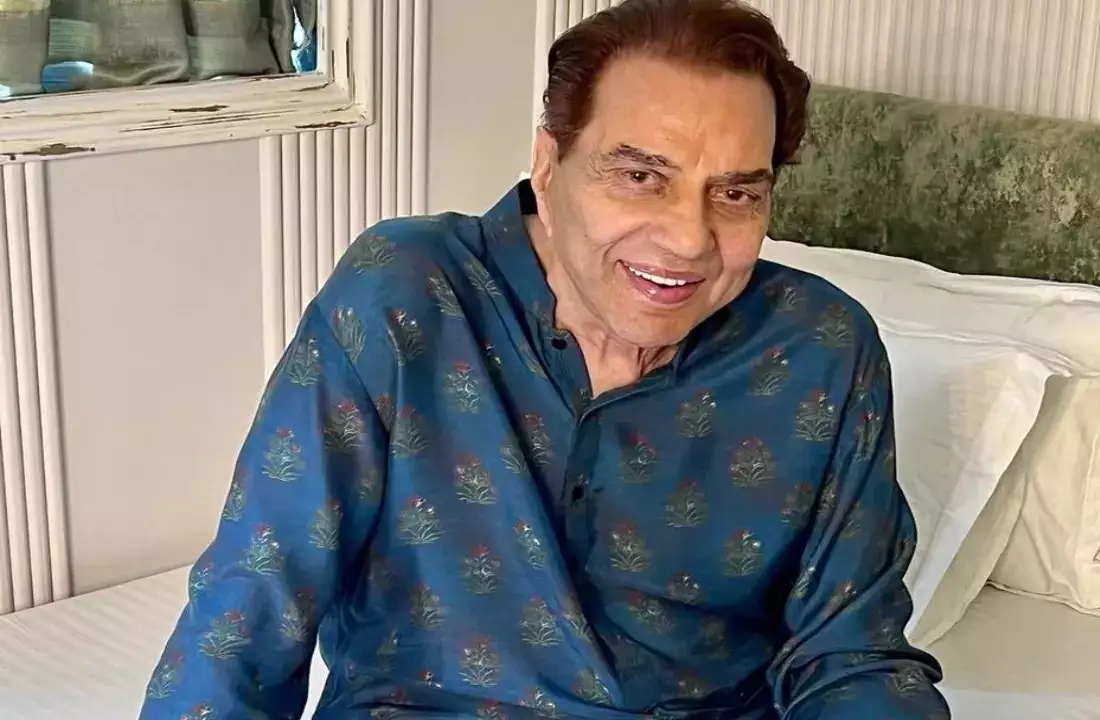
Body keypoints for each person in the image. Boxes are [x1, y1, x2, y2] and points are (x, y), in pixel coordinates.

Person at [140, 1, 949, 717]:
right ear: (548, 163)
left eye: (736, 194)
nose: (688, 238)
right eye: (641, 176)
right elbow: (254, 602)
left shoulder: (820, 348)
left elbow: (850, 654)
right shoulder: (406, 297)